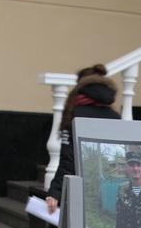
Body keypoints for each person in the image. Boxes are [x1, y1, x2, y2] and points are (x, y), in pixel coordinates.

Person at [45, 64, 120, 214]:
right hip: (107, 185)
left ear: (81, 87)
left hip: (78, 187)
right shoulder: (115, 116)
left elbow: (69, 158)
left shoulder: (76, 113)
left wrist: (56, 191)